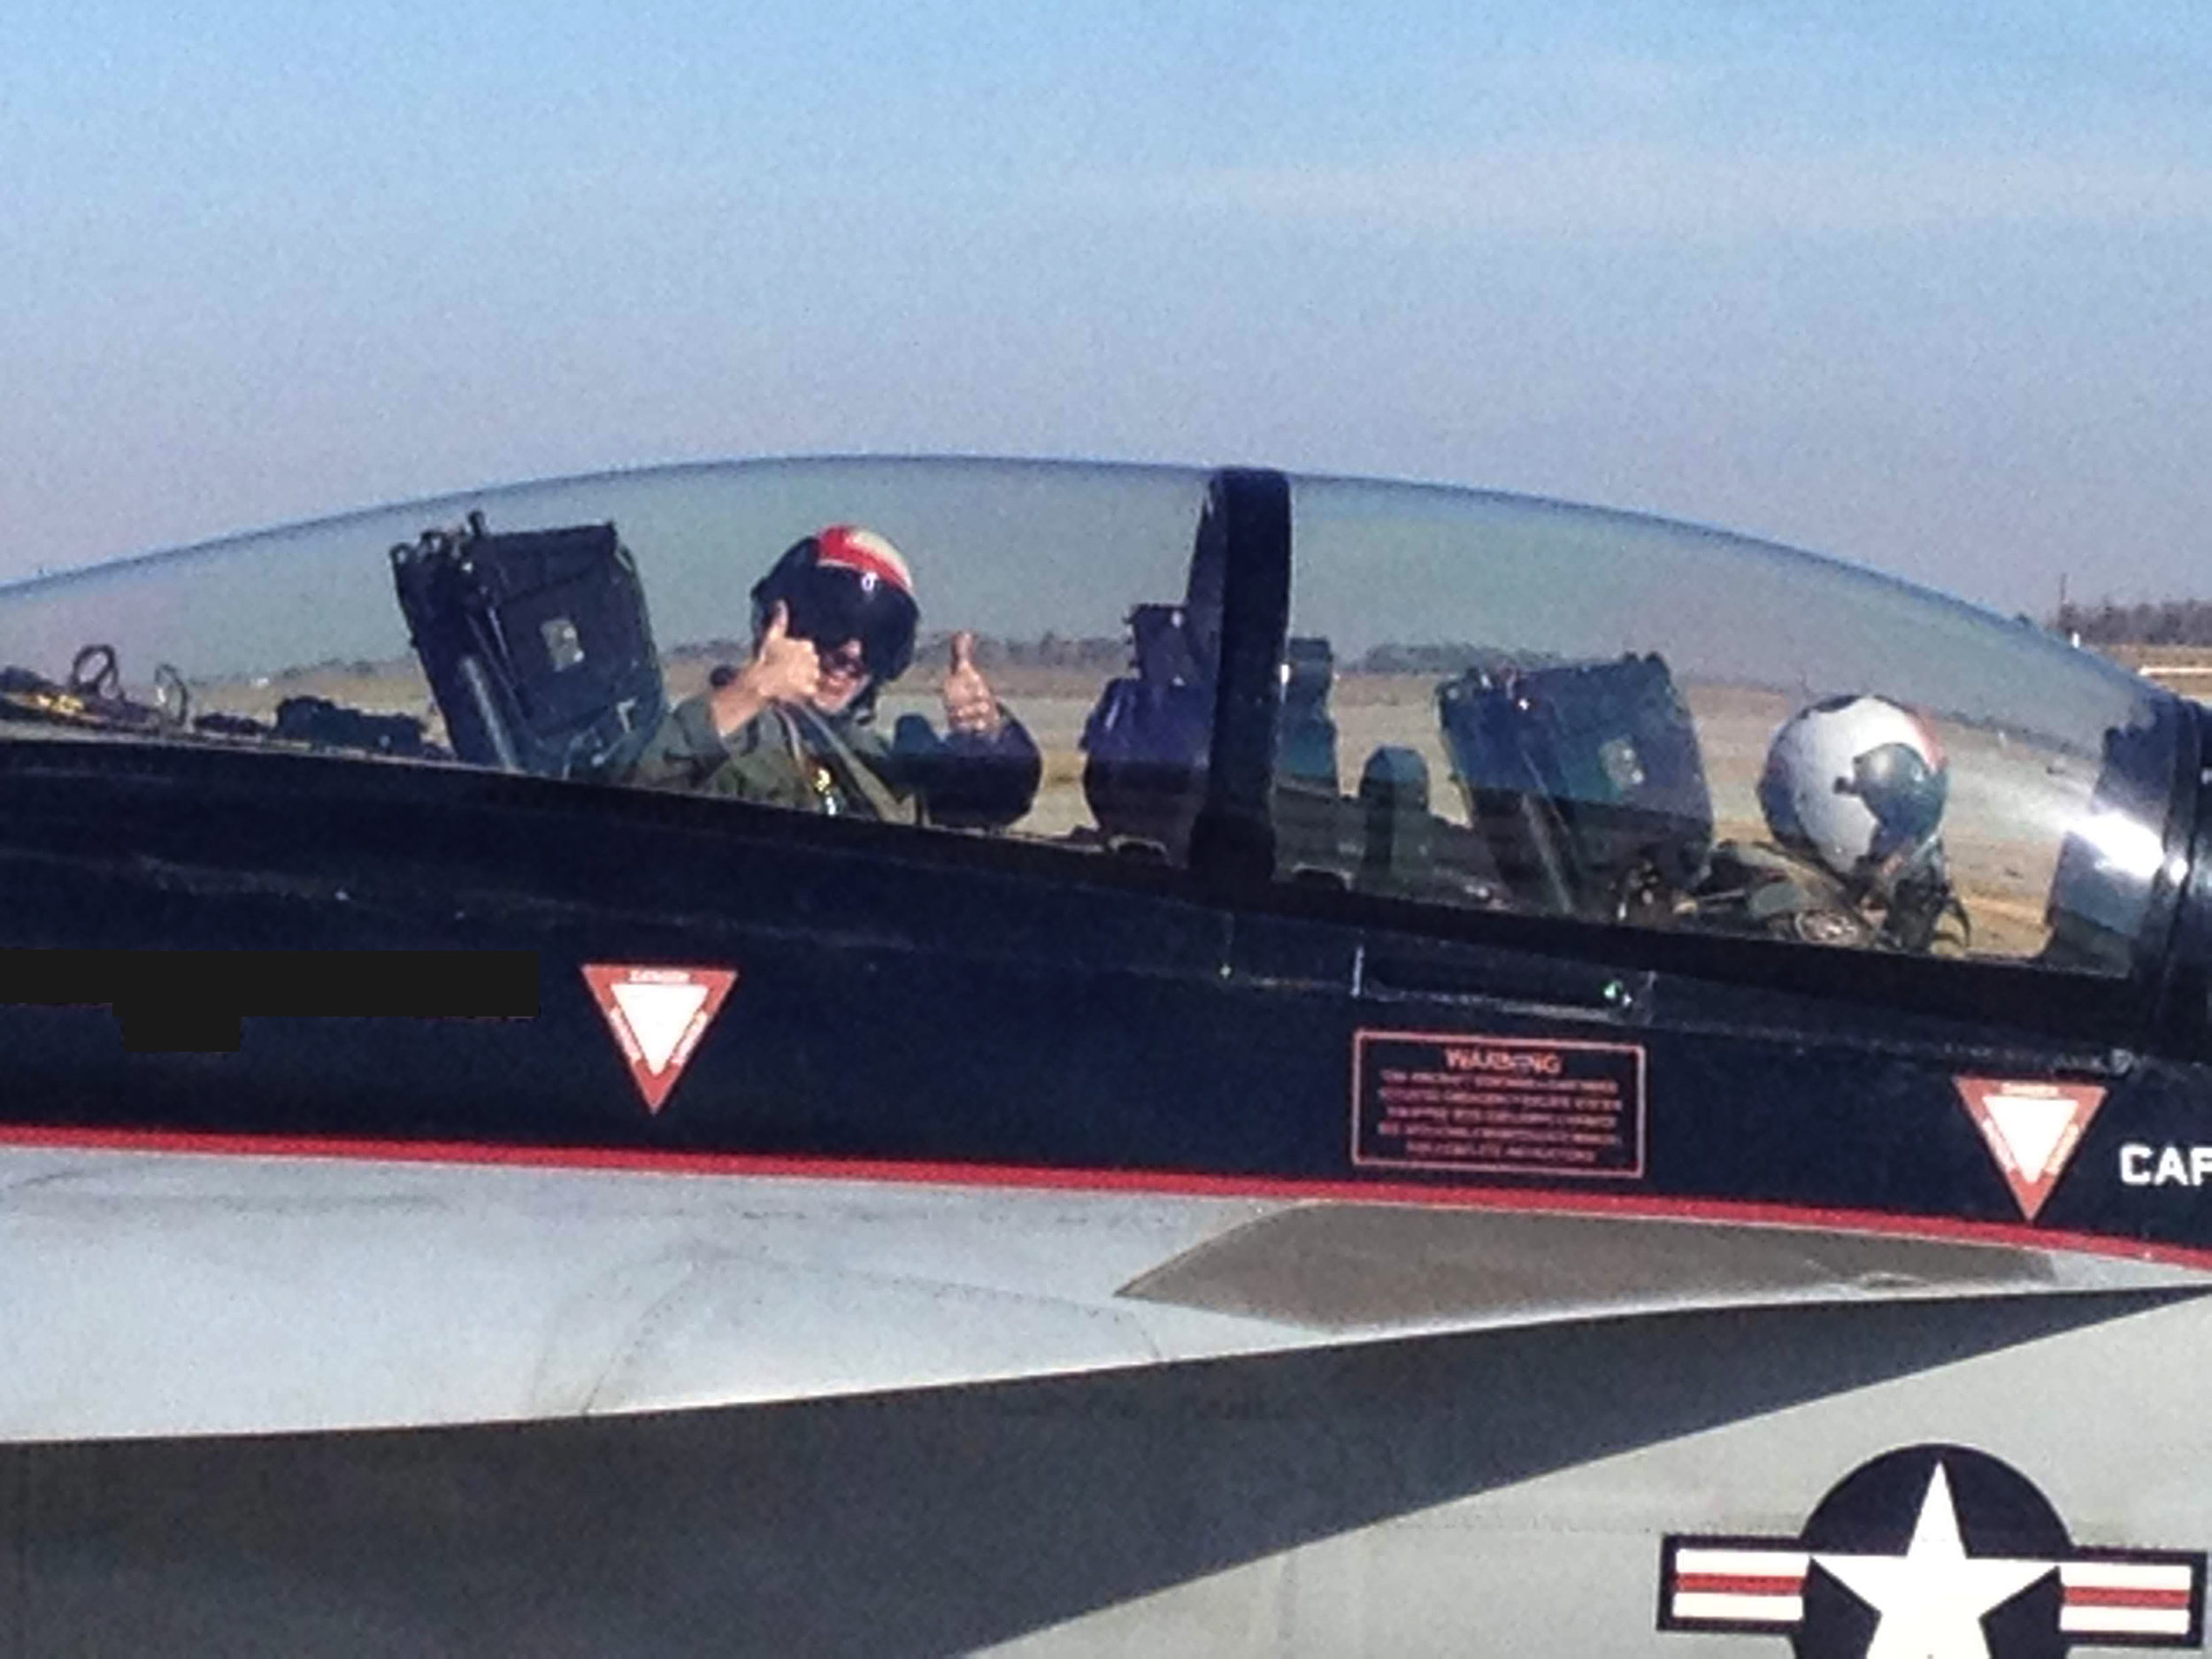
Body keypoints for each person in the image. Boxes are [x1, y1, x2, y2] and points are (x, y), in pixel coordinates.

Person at [622, 525, 1041, 828]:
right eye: (833, 619)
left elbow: (996, 803)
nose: (852, 653)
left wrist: (988, 736)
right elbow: (622, 815)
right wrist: (751, 692)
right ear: (778, 619)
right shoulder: (734, 740)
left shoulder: (863, 759)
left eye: (879, 635)